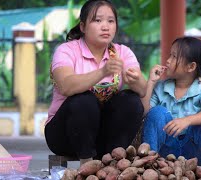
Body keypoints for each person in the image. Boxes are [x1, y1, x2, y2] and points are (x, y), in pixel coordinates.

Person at [44, 0, 147, 165]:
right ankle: (87, 165)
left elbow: (142, 90)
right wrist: (103, 72)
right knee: (84, 100)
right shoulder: (66, 50)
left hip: (102, 137)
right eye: (97, 20)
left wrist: (135, 80)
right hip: (65, 135)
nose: (105, 26)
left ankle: (114, 161)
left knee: (131, 100)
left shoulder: (122, 52)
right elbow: (66, 86)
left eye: (110, 21)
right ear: (83, 27)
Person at [141, 36, 201, 174]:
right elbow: (145, 112)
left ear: (191, 67)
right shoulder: (161, 88)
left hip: (193, 153)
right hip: (166, 151)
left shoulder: (200, 89)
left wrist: (187, 120)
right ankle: (149, 164)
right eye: (170, 55)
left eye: (174, 57)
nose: (168, 60)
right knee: (157, 112)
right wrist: (150, 82)